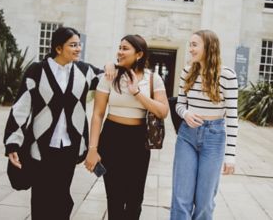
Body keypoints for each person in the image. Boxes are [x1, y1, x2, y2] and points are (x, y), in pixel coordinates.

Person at [3, 26, 114, 220]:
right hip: (40, 146)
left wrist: (110, 65)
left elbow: (109, 77)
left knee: (63, 197)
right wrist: (13, 143)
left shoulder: (84, 71)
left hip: (69, 146)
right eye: (73, 45)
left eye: (79, 44)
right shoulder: (37, 70)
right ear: (58, 48)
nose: (78, 48)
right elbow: (21, 107)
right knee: (40, 198)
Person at [84, 34, 169, 220]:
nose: (119, 52)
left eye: (125, 48)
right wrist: (92, 149)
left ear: (139, 54)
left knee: (134, 199)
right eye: (119, 47)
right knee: (114, 198)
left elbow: (163, 111)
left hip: (138, 141)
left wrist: (137, 92)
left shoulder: (153, 79)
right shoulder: (110, 76)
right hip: (112, 137)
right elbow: (97, 114)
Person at [171, 29, 238, 220]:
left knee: (205, 202)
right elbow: (179, 104)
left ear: (209, 47)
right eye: (189, 45)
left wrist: (230, 156)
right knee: (180, 198)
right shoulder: (187, 71)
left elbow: (233, 117)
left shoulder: (227, 76)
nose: (190, 49)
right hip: (187, 136)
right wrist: (186, 113)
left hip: (214, 138)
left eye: (194, 45)